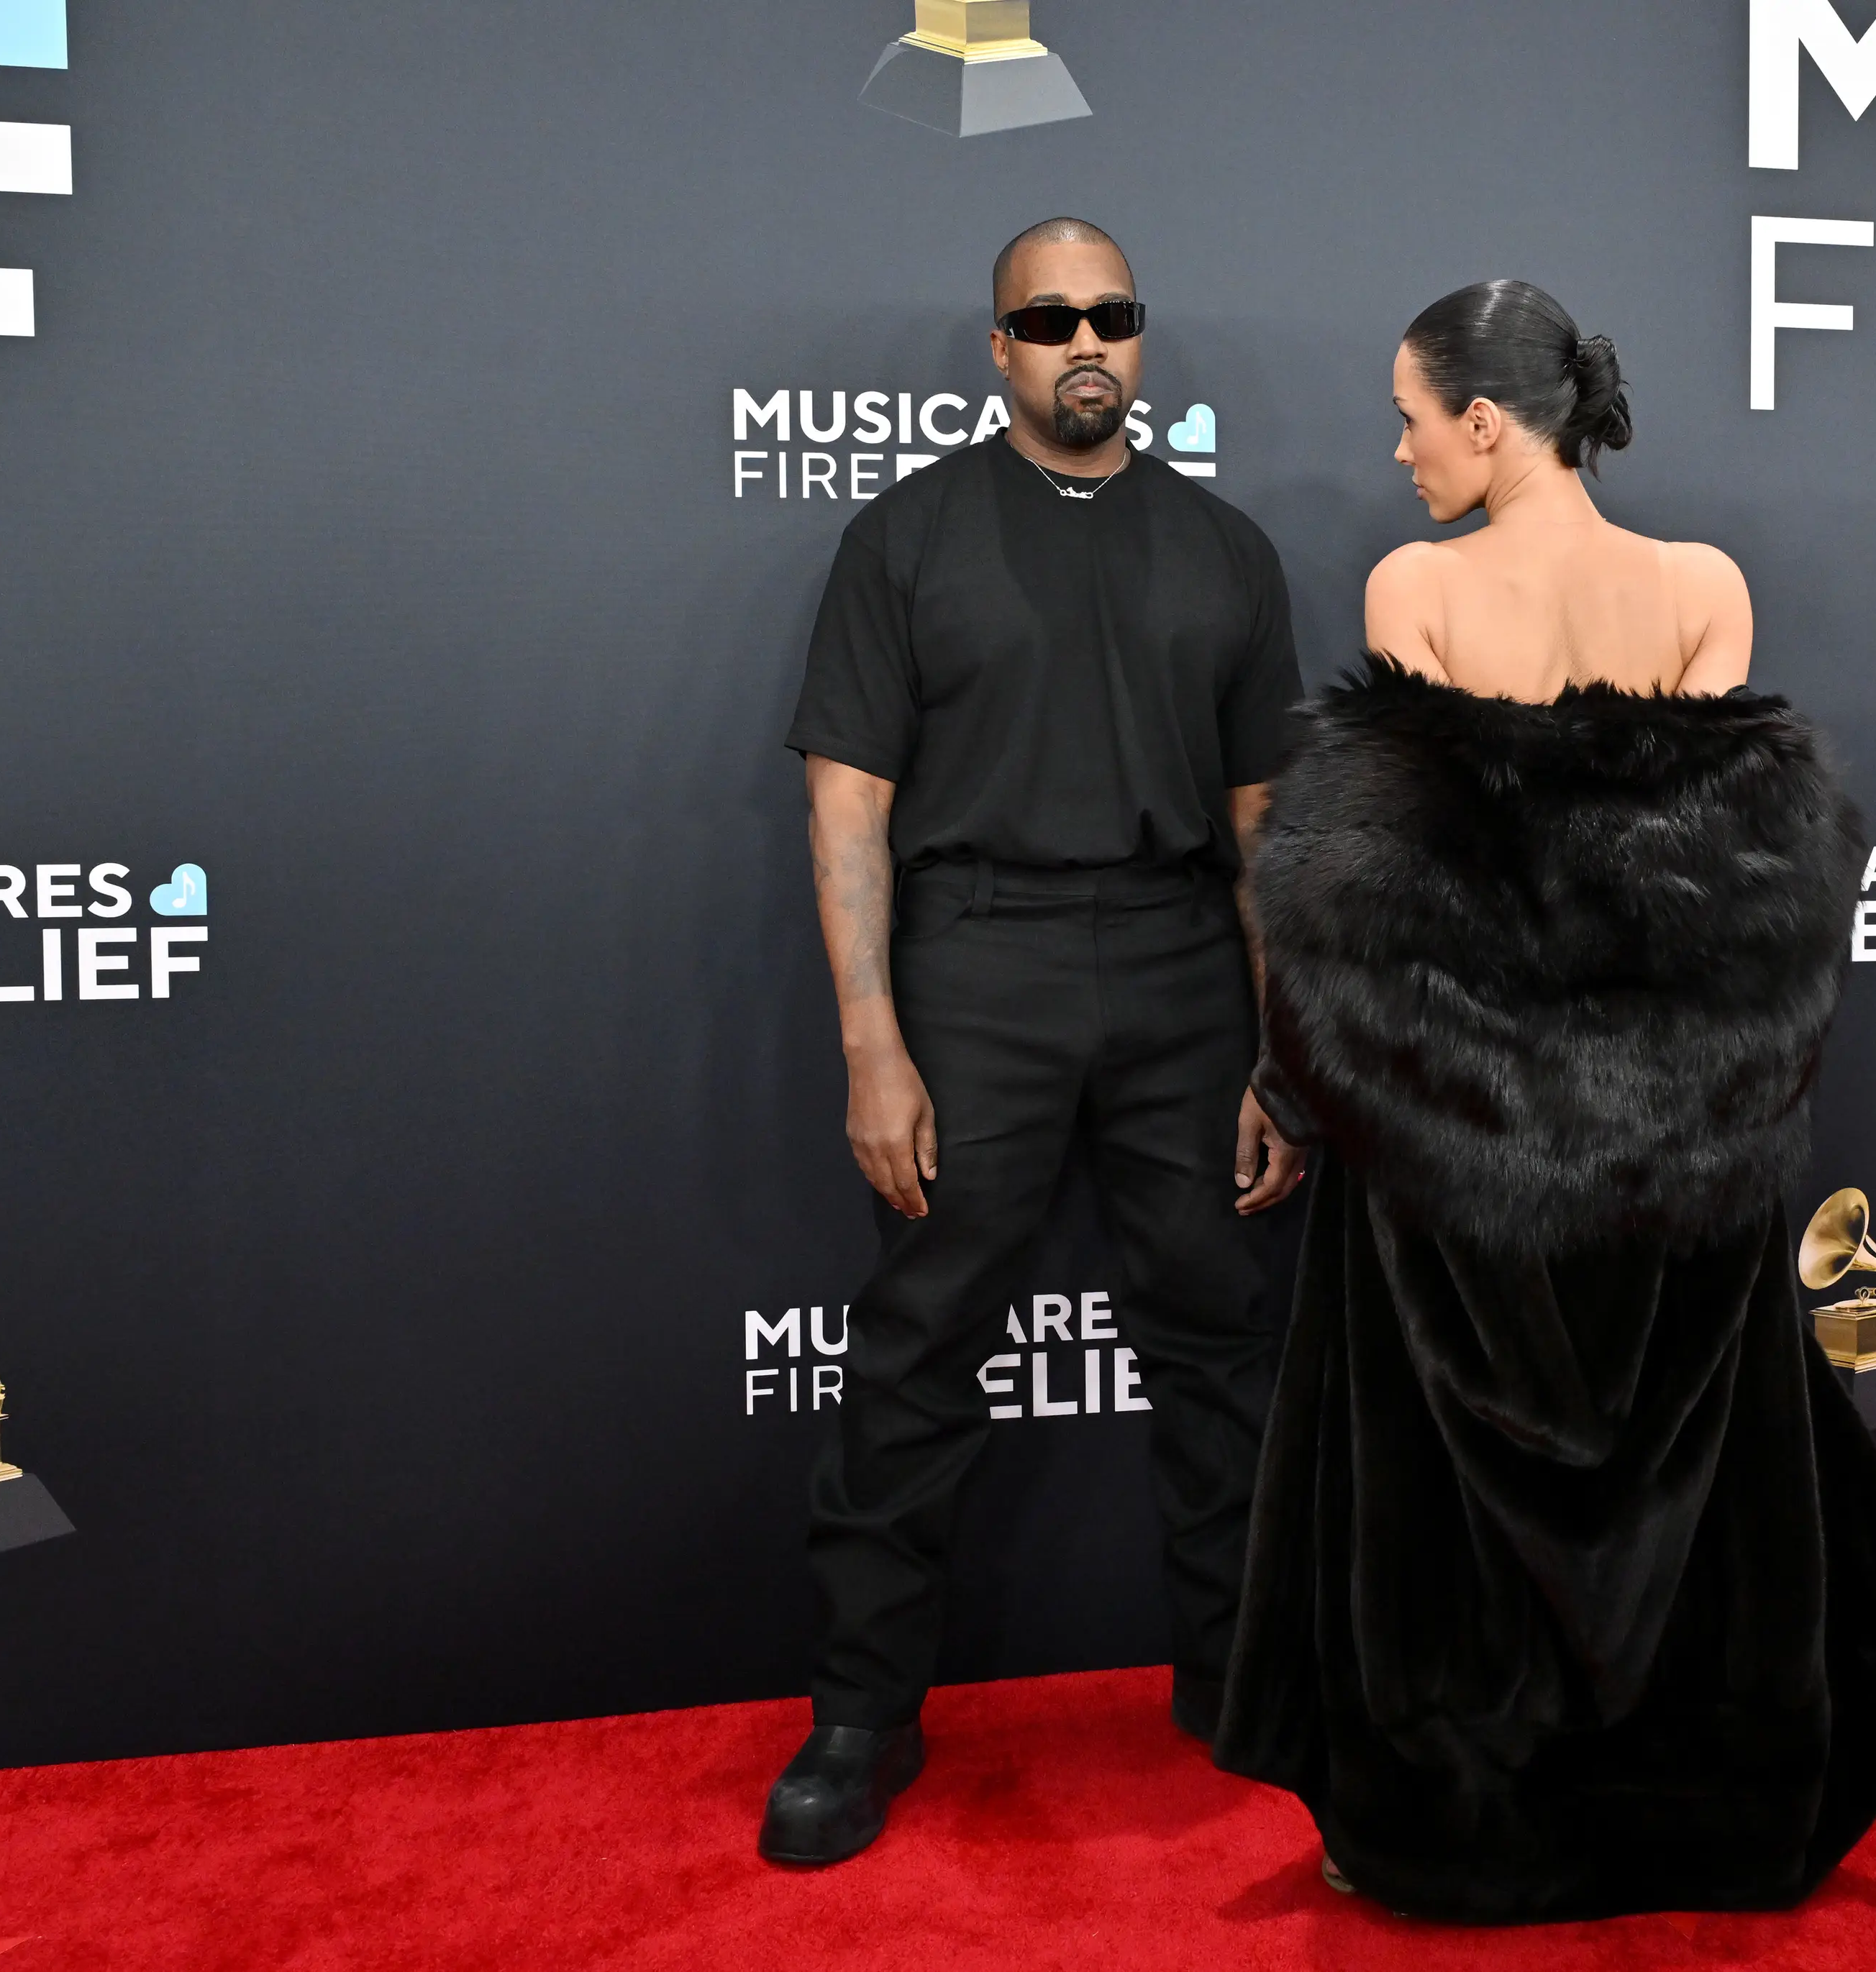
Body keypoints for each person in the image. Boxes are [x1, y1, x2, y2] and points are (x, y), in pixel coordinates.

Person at [1213, 280, 1876, 1923]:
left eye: (1412, 419)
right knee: (1680, 1493)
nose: (1401, 453)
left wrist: (1303, 1079)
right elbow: (1712, 897)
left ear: (1487, 421)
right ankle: (1687, 1824)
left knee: (1450, 1506)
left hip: (1460, 1140)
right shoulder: (1705, 588)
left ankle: (1456, 1829)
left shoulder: (1416, 586)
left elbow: (1393, 902)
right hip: (1675, 1140)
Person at [762, 217, 1308, 1868]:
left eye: (1111, 315)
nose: (1085, 341)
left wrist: (1279, 1047)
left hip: (1182, 972)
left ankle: (1241, 1681)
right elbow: (846, 804)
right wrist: (873, 1041)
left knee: (1222, 1344)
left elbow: (1264, 827)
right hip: (974, 969)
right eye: (1049, 317)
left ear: (1142, 339)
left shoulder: (1227, 550)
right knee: (920, 1346)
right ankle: (861, 1715)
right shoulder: (906, 536)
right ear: (998, 346)